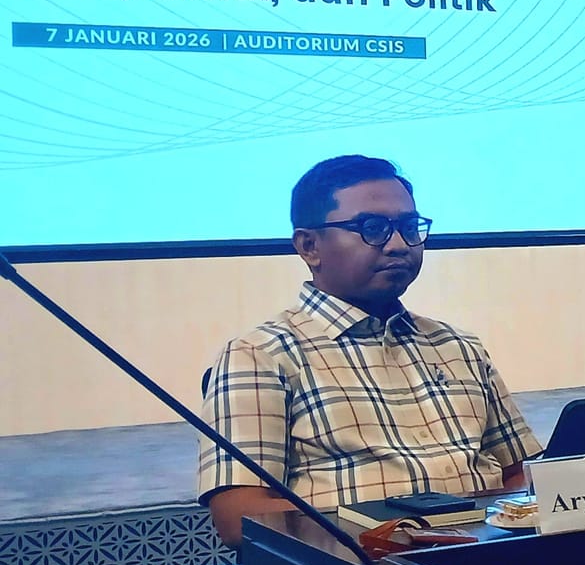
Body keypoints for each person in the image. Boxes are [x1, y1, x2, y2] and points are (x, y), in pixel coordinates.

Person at [197, 156, 540, 545]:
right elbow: (240, 517)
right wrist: (392, 534)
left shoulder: (457, 346)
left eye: (409, 227)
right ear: (309, 246)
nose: (398, 245)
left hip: (485, 557)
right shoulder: (261, 355)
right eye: (372, 229)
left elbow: (524, 472)